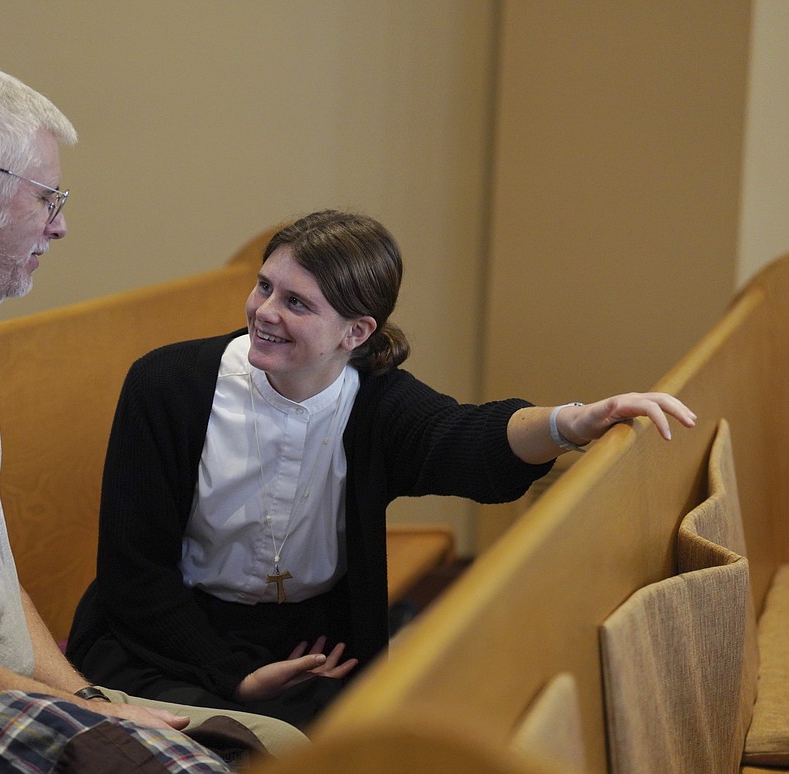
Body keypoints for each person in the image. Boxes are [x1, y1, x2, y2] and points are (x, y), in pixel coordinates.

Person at [65, 209, 699, 727]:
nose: (263, 311)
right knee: (197, 739)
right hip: (165, 633)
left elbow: (469, 439)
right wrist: (232, 673)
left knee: (353, 744)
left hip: (311, 649)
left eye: (296, 303)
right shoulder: (166, 384)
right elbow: (135, 573)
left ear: (355, 332)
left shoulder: (376, 402)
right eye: (264, 286)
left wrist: (575, 421)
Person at [0, 65, 303, 767]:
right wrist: (76, 716)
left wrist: (97, 702)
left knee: (283, 746)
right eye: (47, 197)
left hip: (11, 700)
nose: (60, 225)